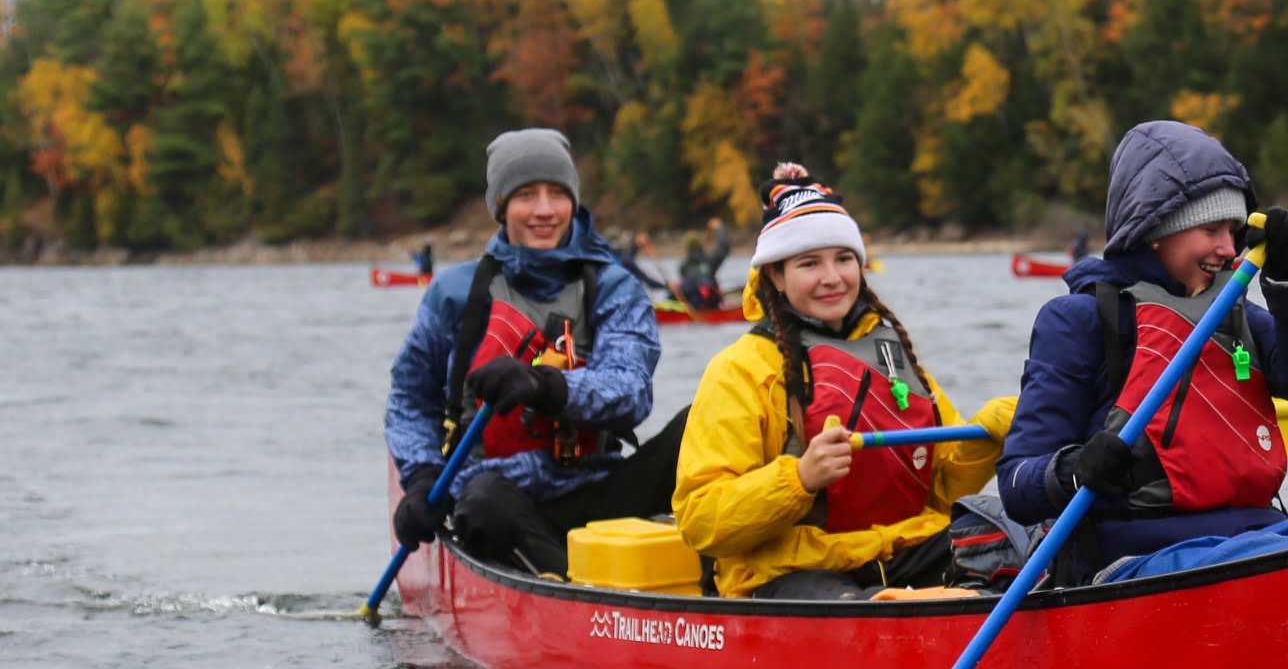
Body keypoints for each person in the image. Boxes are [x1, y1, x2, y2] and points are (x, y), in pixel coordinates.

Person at [997, 120, 1288, 584]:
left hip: (1257, 534)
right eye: (1210, 230)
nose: (1229, 248)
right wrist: (1076, 470)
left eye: (1234, 230)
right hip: (1139, 556)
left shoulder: (1231, 309)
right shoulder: (1079, 320)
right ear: (1155, 232)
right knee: (1265, 558)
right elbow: (1017, 483)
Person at [672, 163, 1014, 599]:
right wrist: (799, 478)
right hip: (791, 569)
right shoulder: (739, 369)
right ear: (775, 276)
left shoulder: (893, 353)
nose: (832, 278)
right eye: (809, 263)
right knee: (858, 606)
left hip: (902, 547)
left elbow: (939, 491)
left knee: (1021, 546)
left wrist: (987, 433)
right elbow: (701, 520)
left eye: (844, 259)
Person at [384, 128, 678, 578]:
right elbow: (409, 400)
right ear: (501, 206)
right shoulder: (455, 292)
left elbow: (631, 393)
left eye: (558, 194)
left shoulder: (614, 287)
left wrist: (546, 385)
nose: (545, 210)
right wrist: (421, 477)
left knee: (703, 424)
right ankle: (580, 591)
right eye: (526, 195)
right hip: (496, 493)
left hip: (596, 485)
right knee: (484, 504)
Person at [676, 216, 731, 309]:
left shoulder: (683, 266)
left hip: (692, 306)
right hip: (711, 305)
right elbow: (724, 247)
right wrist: (719, 227)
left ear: (686, 248)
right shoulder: (710, 261)